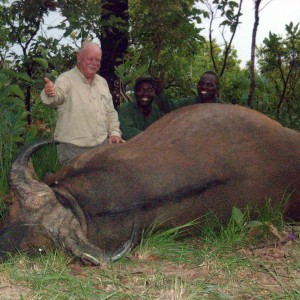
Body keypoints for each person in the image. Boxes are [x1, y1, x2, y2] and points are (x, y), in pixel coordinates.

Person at [41, 42, 125, 164]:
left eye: (98, 60)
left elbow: (110, 112)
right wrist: (50, 93)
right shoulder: (66, 79)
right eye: (90, 58)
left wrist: (115, 133)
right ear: (79, 58)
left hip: (102, 146)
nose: (94, 63)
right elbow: (57, 97)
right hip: (73, 150)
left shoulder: (102, 82)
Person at [118, 76, 164, 140]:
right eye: (141, 90)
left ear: (154, 93)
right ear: (135, 92)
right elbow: (127, 132)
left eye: (150, 90)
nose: (145, 93)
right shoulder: (126, 108)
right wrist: (152, 137)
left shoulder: (156, 110)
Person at [156, 71, 221, 113]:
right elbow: (168, 108)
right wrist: (160, 91)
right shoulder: (188, 102)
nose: (204, 87)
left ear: (217, 88)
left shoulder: (222, 107)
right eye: (201, 84)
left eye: (209, 85)